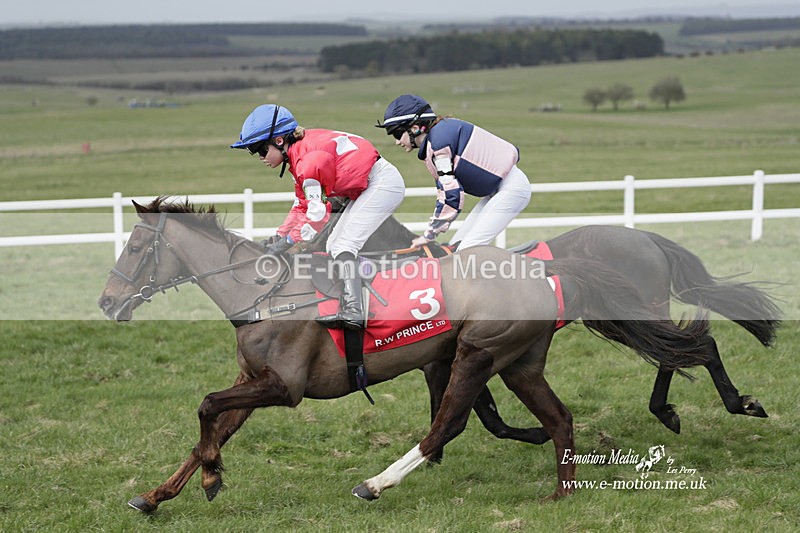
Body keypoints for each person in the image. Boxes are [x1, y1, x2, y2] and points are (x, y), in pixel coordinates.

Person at [231, 104, 405, 330]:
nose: (261, 158)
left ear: (279, 141)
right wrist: (279, 236)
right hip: (368, 183)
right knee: (334, 245)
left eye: (261, 150)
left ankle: (354, 310)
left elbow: (316, 217)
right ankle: (361, 291)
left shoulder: (308, 162)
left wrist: (286, 243)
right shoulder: (298, 156)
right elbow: (301, 206)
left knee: (344, 245)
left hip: (381, 183)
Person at [376, 94, 531, 251]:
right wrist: (431, 231)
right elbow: (444, 194)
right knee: (455, 248)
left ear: (415, 128)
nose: (397, 142)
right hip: (498, 190)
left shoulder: (439, 145)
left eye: (397, 134)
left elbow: (452, 196)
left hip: (511, 190)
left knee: (465, 254)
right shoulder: (437, 139)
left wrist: (429, 235)